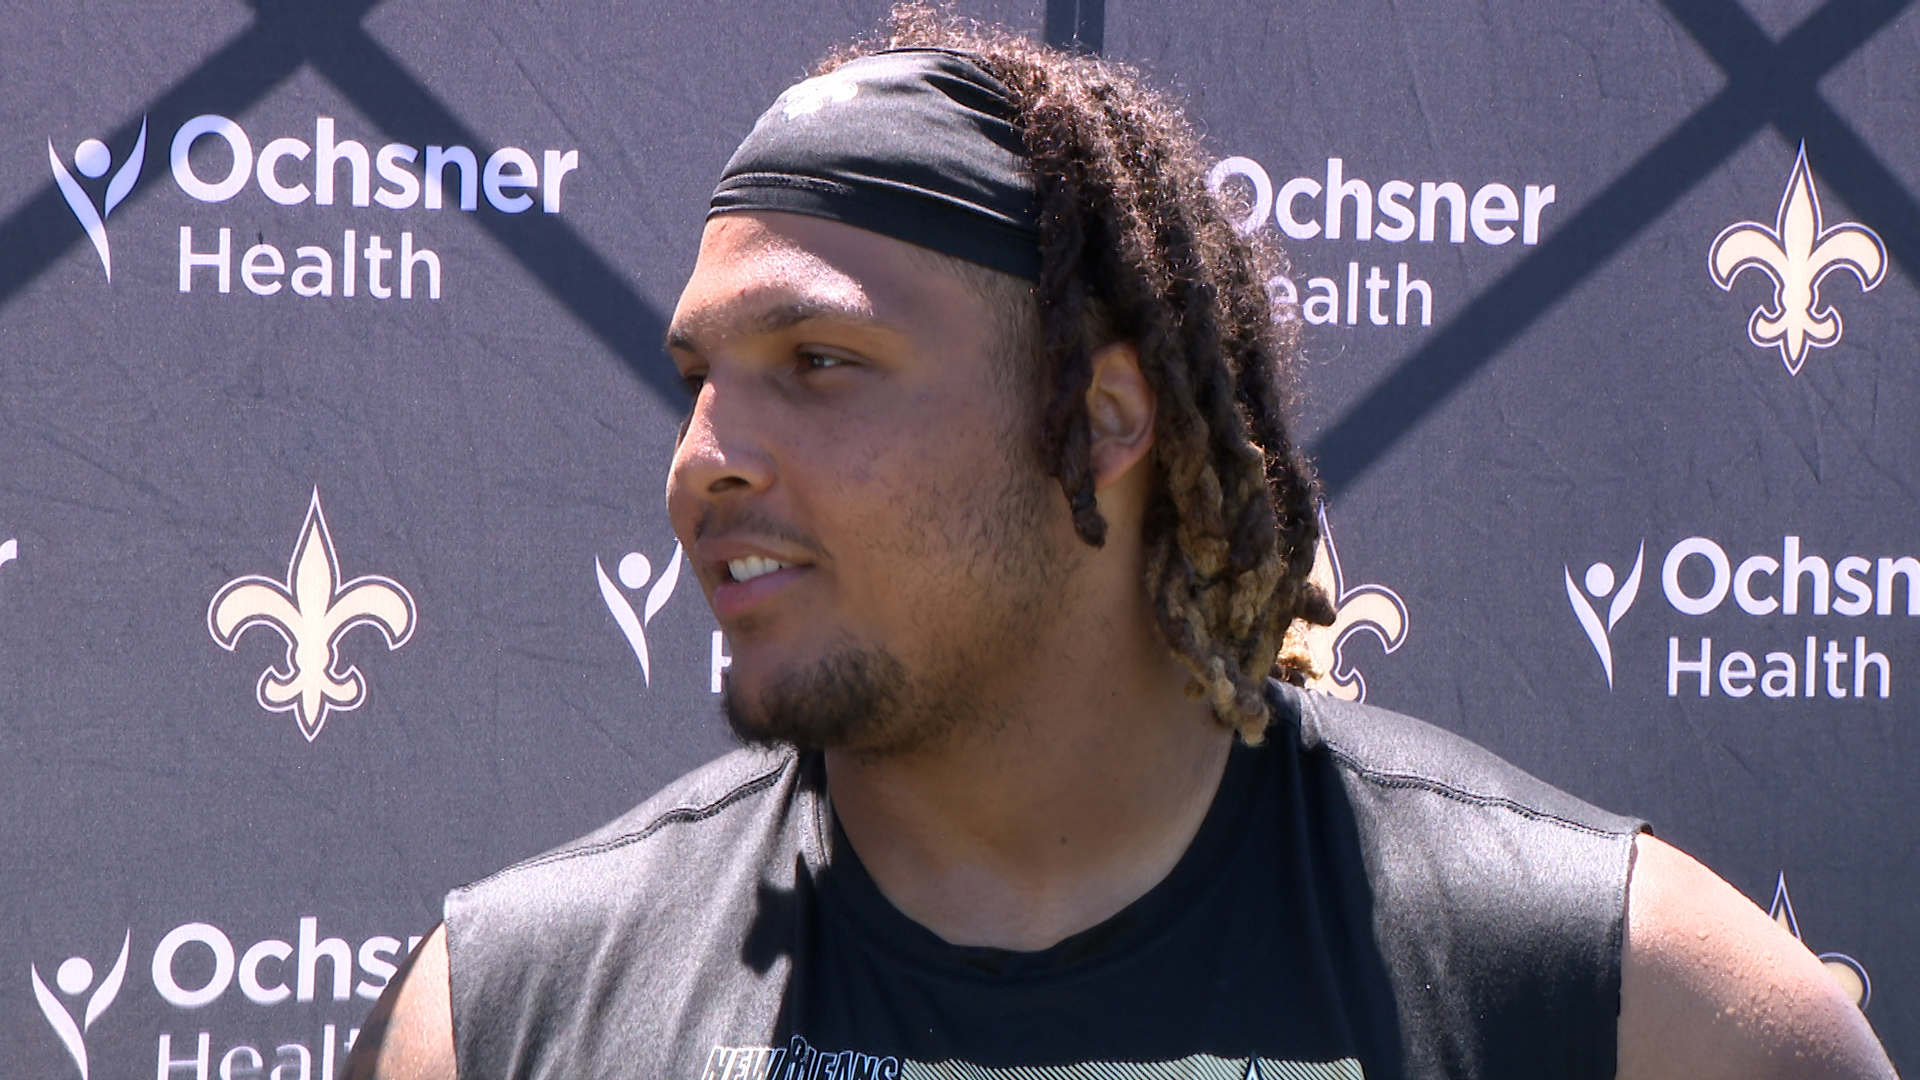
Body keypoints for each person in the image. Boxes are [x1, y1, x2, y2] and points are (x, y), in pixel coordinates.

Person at [348, 8, 1895, 1078]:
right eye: (701, 383)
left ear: (1100, 421)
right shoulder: (504, 1020)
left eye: (819, 364)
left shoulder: (1628, 1010)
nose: (703, 464)